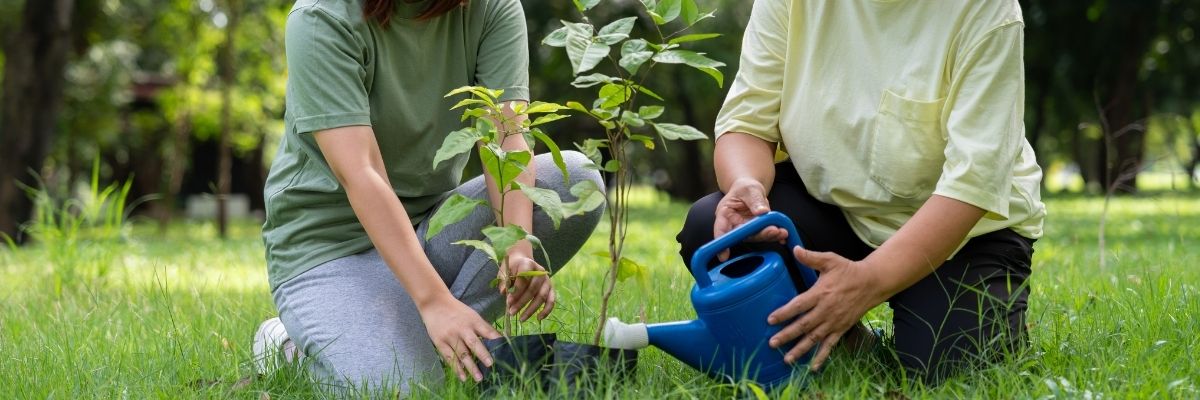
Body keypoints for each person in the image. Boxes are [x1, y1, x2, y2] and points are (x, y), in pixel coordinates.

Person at [676, 0, 1045, 383]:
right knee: (714, 227)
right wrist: (745, 183)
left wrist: (868, 281)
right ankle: (848, 340)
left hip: (963, 233)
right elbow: (747, 123)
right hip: (836, 207)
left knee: (952, 373)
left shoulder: (986, 9)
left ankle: (875, 307)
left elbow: (971, 184)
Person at [251, 0, 603, 393]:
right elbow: (362, 173)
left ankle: (424, 331)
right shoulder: (321, 18)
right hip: (328, 250)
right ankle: (287, 344)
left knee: (574, 180)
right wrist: (434, 301)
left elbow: (505, 136)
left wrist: (517, 246)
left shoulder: (492, 8)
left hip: (428, 227)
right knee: (405, 390)